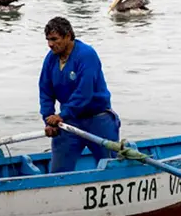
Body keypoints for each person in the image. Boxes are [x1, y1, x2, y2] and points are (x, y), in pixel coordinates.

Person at [39, 17, 121, 174]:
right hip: (69, 122)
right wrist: (49, 119)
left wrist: (62, 115)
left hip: (98, 120)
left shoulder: (86, 55)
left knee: (112, 169)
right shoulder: (51, 59)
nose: (50, 44)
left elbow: (84, 93)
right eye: (48, 40)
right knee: (58, 173)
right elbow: (45, 90)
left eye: (54, 39)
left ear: (68, 36)